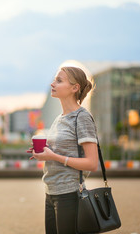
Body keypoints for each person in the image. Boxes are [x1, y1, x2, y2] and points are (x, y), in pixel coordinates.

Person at [27, 66, 98, 234]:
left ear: (75, 88)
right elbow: (60, 152)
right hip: (51, 191)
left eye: (59, 81)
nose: (53, 83)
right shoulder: (59, 119)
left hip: (70, 193)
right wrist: (44, 153)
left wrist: (54, 156)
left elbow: (92, 163)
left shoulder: (82, 118)